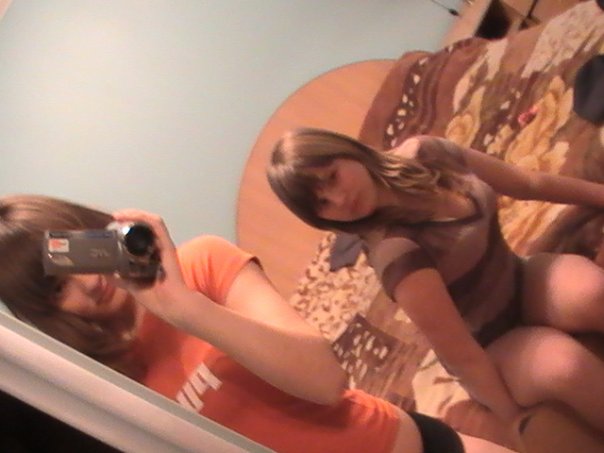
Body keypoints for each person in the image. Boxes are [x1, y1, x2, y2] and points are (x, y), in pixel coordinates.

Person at [0, 194, 515, 453]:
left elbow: (324, 381)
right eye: (57, 288)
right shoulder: (101, 389)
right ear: (47, 312)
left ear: (92, 231)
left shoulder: (201, 264)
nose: (89, 282)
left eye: (76, 255)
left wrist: (184, 308)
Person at [267, 127, 604, 436]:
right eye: (323, 203)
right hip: (490, 342)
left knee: (593, 291)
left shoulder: (430, 154)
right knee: (566, 366)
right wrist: (512, 421)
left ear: (348, 151)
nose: (339, 199)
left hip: (518, 275)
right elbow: (460, 353)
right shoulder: (395, 252)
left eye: (332, 177)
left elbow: (528, 183)